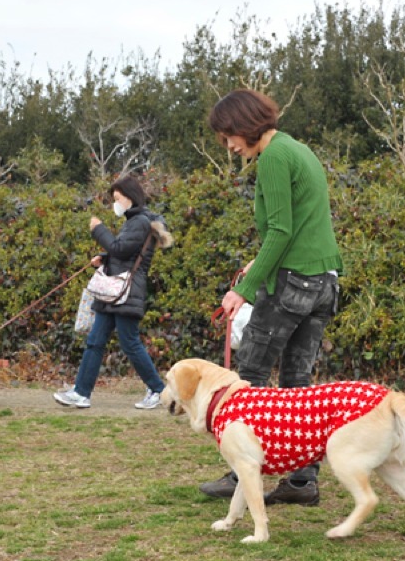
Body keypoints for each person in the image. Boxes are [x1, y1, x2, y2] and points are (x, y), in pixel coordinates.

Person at [199, 88, 344, 507]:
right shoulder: (299, 150)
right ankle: (302, 482)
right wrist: (256, 265)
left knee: (249, 377)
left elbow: (280, 231)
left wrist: (242, 291)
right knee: (299, 385)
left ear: (244, 125)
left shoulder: (274, 158)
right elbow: (298, 229)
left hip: (292, 284)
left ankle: (241, 473)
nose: (228, 146)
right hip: (323, 282)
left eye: (228, 135)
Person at [54, 175, 173, 410]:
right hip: (116, 292)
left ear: (129, 197)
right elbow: (124, 254)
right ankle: (81, 393)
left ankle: (158, 390)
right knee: (95, 341)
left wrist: (98, 230)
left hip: (125, 292)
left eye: (117, 199)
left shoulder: (139, 221)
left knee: (129, 342)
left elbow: (120, 249)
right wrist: (105, 259)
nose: (115, 204)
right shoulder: (136, 221)